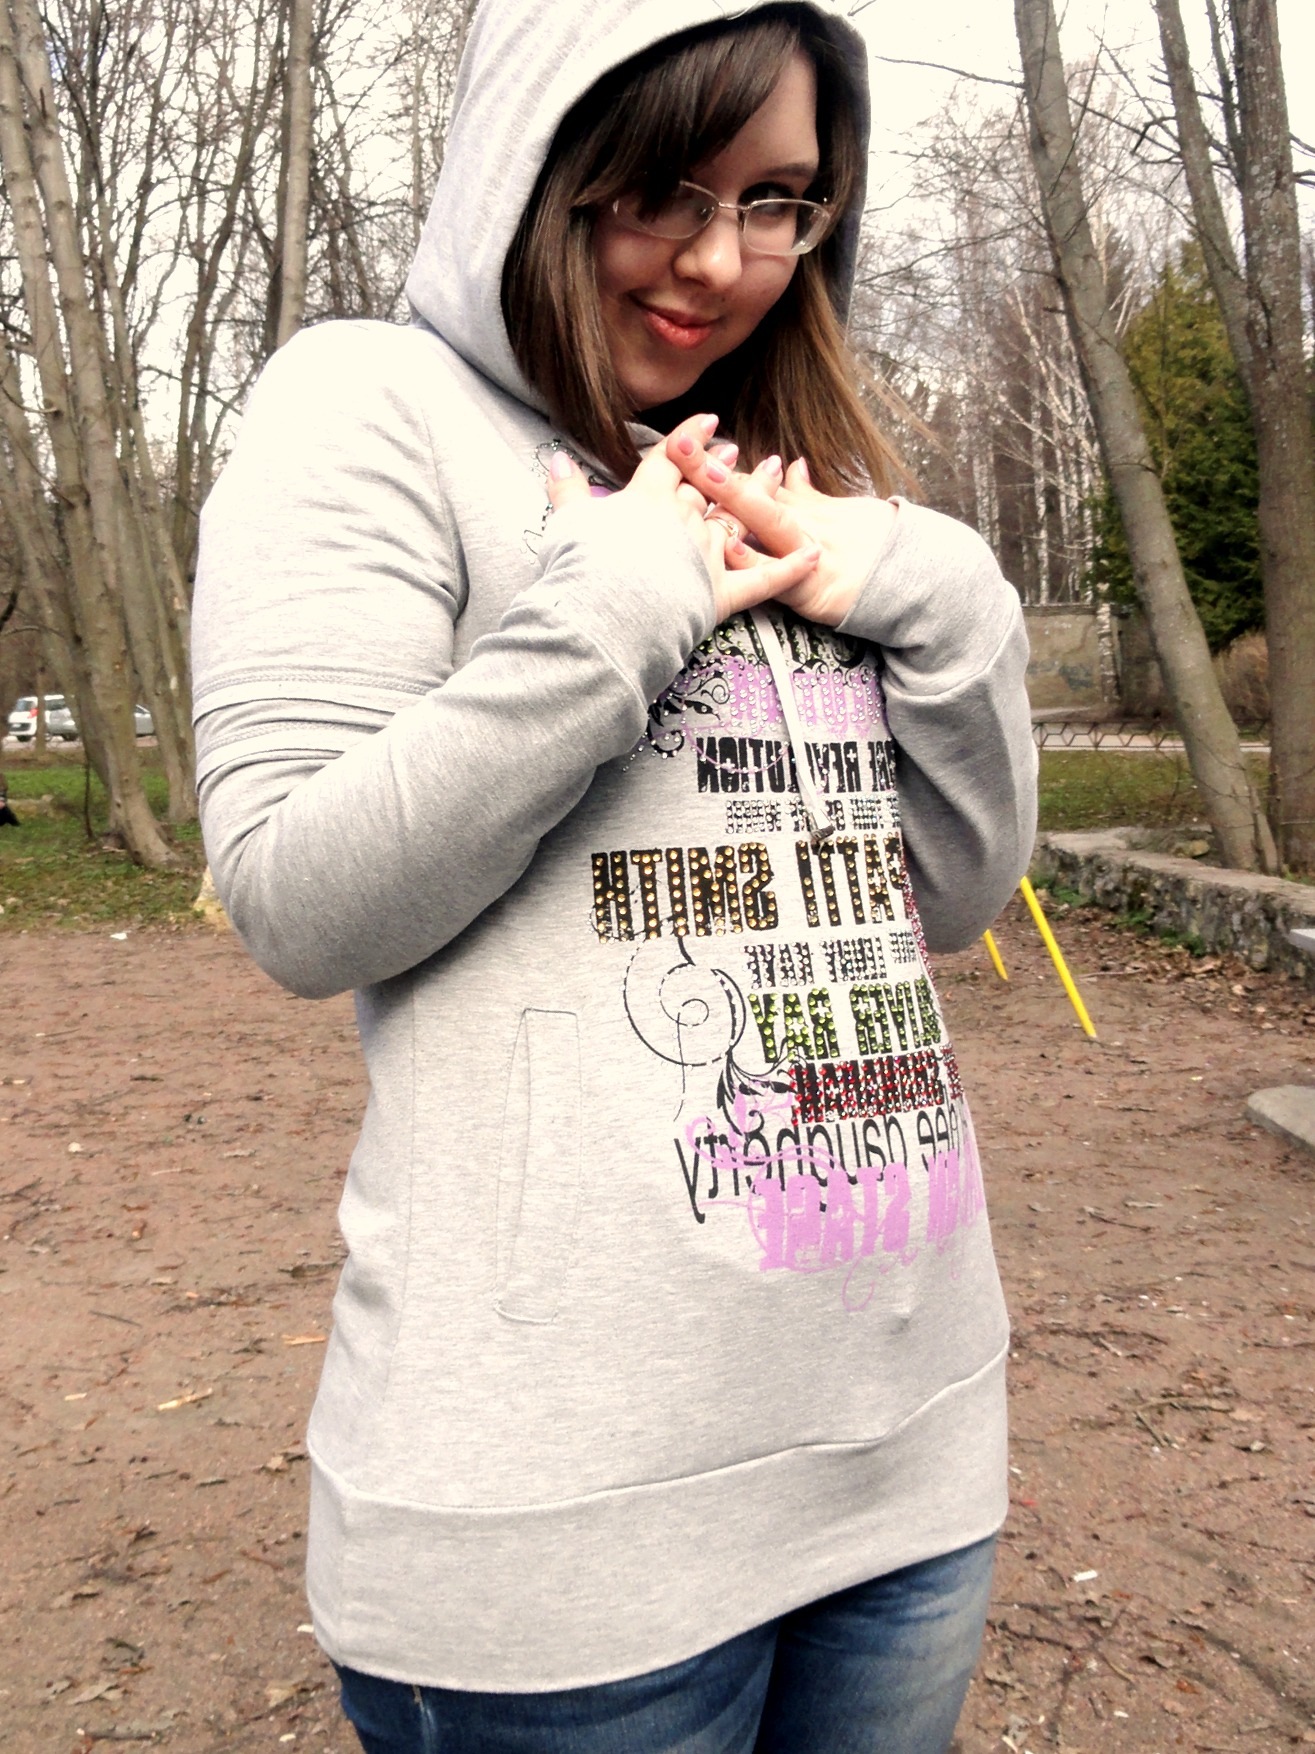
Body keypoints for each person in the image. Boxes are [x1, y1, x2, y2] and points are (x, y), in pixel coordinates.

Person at [192, 2, 1037, 1748]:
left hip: (907, 1456)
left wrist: (940, 595)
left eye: (778, 201)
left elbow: (942, 897)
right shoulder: (370, 405)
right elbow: (295, 894)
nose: (720, 260)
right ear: (541, 156)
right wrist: (617, 606)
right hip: (557, 1529)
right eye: (664, 189)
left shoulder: (792, 471)